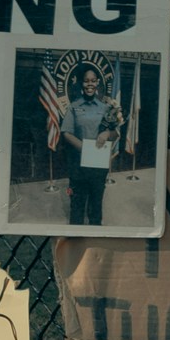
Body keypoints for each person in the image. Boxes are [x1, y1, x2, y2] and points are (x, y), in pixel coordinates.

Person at [38, 59, 120, 226]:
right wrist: (84, 148)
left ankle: (94, 242)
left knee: (96, 207)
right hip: (78, 166)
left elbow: (116, 133)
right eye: (86, 80)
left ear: (97, 83)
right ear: (82, 83)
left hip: (98, 167)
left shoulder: (105, 108)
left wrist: (106, 133)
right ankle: (76, 243)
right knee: (77, 207)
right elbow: (66, 133)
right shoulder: (73, 107)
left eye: (93, 80)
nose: (90, 84)